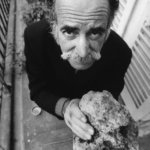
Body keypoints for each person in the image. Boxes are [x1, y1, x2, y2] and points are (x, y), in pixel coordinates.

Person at [24, 0, 132, 148]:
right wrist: (64, 107)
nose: (82, 52)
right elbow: (38, 90)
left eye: (95, 32)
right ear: (54, 26)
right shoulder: (35, 37)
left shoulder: (121, 54)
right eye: (69, 31)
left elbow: (109, 95)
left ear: (107, 31)